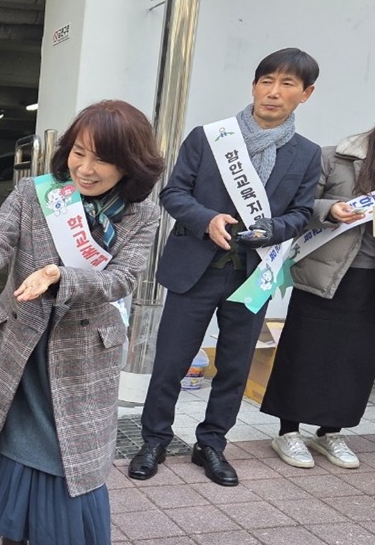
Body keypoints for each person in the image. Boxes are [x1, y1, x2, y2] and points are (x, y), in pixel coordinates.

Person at [0, 100, 163, 545]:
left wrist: (61, 277)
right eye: (79, 152)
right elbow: (0, 237)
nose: (86, 168)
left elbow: (122, 279)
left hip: (83, 354)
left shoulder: (143, 214)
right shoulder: (37, 193)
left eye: (104, 158)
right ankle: (12, 532)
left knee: (69, 461)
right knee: (9, 441)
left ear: (131, 164)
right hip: (19, 345)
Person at [128, 48, 323, 486]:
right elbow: (173, 193)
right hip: (194, 268)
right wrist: (206, 219)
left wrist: (274, 228)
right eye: (266, 80)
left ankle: (212, 444)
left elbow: (302, 212)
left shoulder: (307, 154)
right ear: (254, 84)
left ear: (305, 94)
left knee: (234, 366)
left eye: (288, 84)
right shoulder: (209, 136)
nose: (274, 92)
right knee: (171, 362)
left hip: (253, 274)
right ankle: (154, 439)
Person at [261, 89, 375, 469]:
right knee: (305, 351)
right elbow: (297, 206)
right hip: (324, 272)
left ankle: (332, 432)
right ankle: (288, 432)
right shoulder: (335, 156)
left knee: (355, 361)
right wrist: (332, 209)